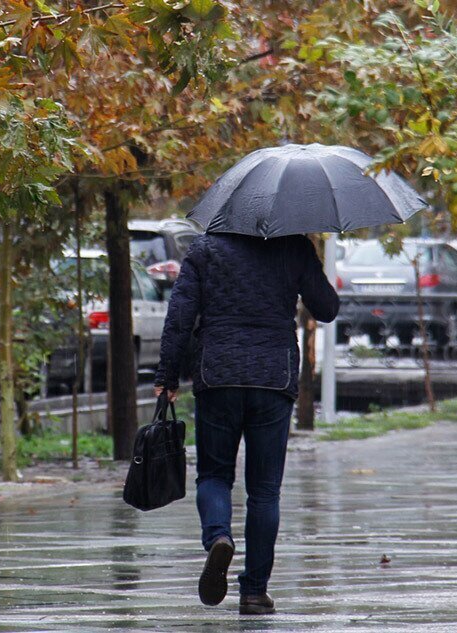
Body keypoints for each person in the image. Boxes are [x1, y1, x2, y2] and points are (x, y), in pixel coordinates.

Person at [153, 232, 339, 615]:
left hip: (217, 372)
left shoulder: (205, 249)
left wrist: (168, 375)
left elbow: (180, 314)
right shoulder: (294, 246)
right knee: (265, 491)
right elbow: (327, 308)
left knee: (214, 476)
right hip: (273, 377)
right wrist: (308, 263)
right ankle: (254, 592)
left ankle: (219, 537)